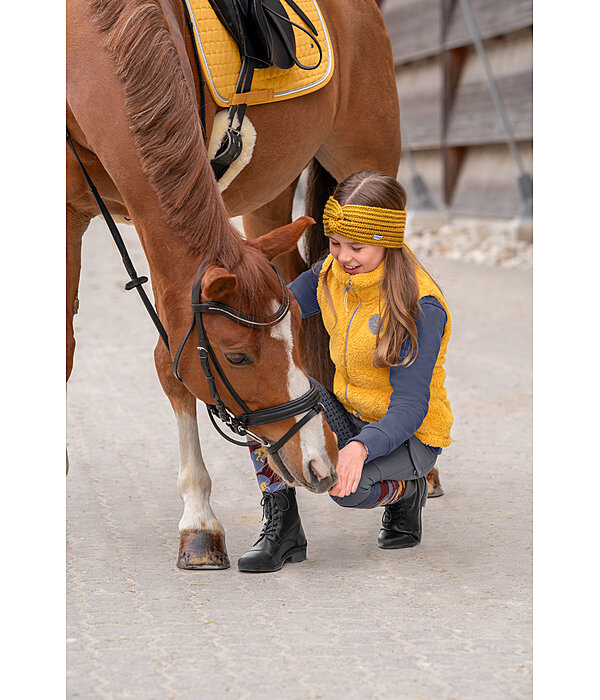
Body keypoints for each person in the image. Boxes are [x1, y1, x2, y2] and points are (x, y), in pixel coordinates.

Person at [238, 171, 453, 573]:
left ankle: (408, 490)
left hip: (409, 433)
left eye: (357, 247)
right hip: (349, 411)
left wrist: (360, 447)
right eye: (335, 244)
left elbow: (409, 405)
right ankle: (282, 524)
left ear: (387, 240)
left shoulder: (419, 306)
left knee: (347, 492)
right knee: (262, 403)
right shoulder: (332, 273)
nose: (344, 257)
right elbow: (280, 306)